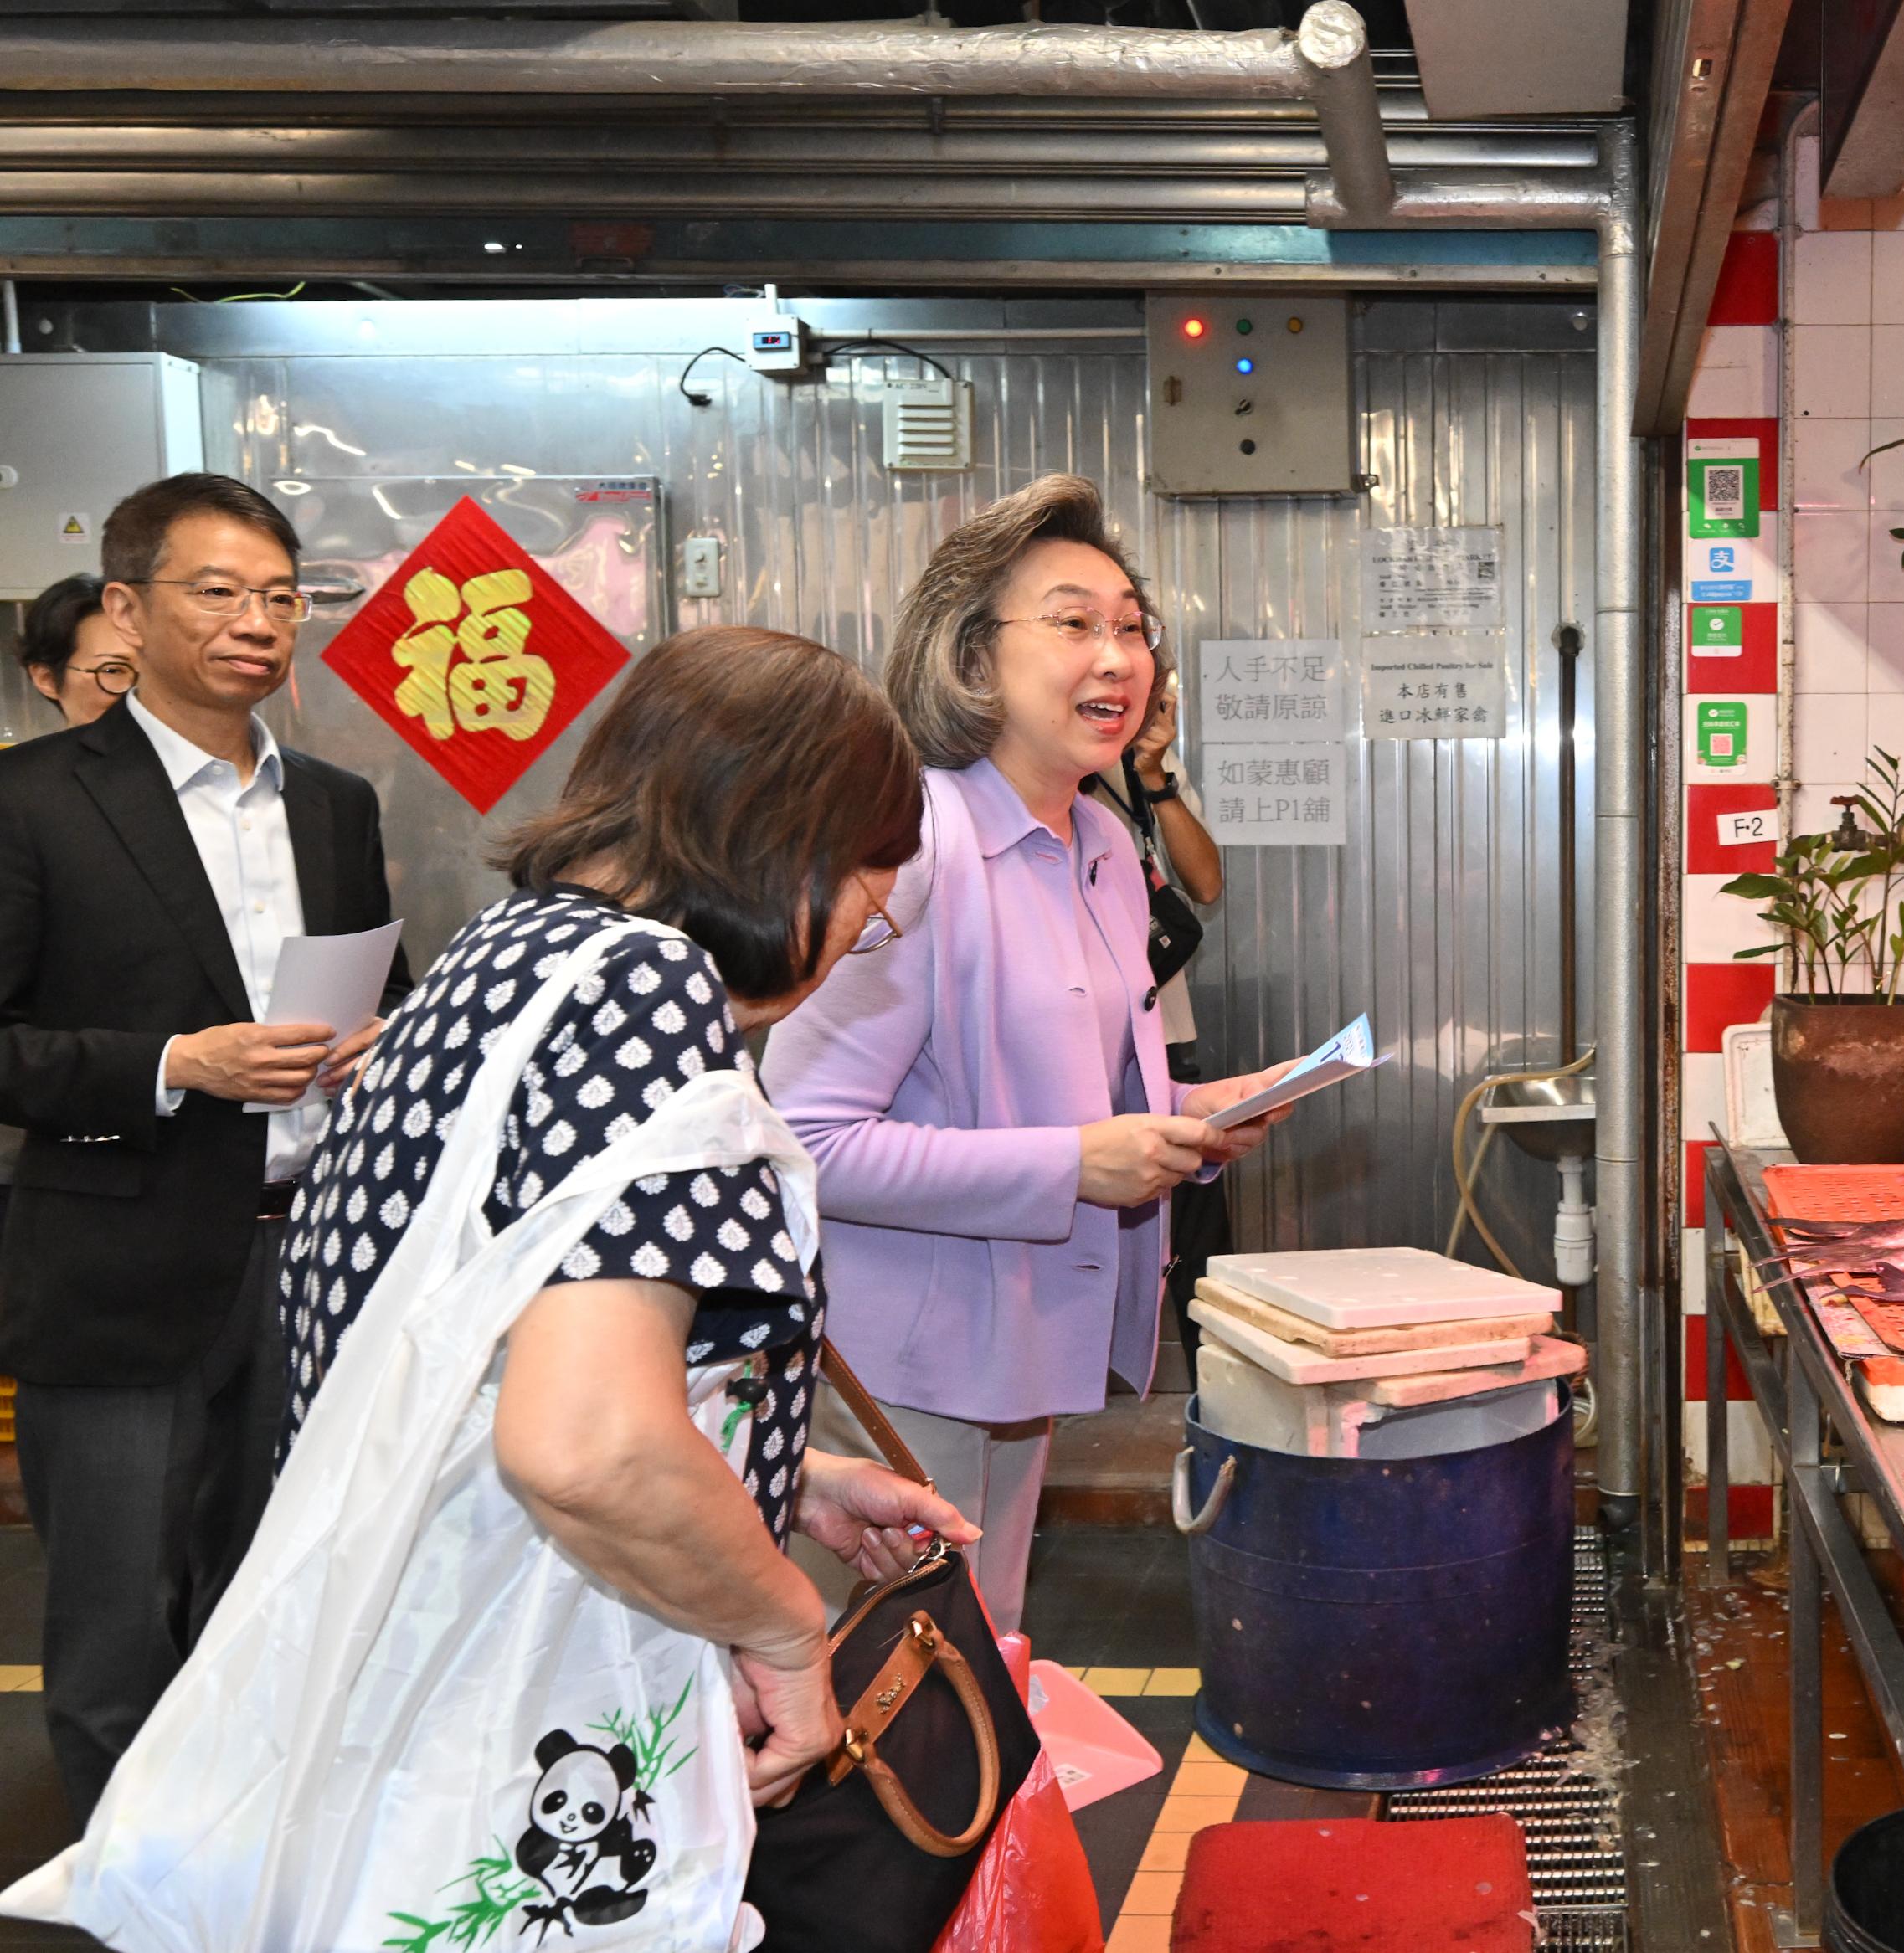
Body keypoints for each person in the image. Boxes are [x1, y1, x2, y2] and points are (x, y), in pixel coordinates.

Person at [273, 624, 973, 1812]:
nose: (867, 928)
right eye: (871, 888)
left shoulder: (511, 950)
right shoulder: (643, 990)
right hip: (515, 1725)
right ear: (784, 841)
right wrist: (789, 1629)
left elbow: (507, 1350)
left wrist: (780, 1475)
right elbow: (585, 1445)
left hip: (400, 1686)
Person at [765, 473, 1294, 1632]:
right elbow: (804, 1140)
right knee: (883, 1699)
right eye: (1073, 623)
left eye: (1131, 627)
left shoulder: (1099, 838)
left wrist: (1191, 1121)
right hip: (897, 1372)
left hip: (1021, 1350)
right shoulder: (908, 843)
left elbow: (1073, 1096)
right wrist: (1073, 1165)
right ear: (970, 655)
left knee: (982, 1663)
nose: (1117, 657)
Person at [0, 473, 405, 1821]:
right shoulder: (35, 800)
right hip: (120, 1264)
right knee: (120, 1624)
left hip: (310, 1256)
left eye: (281, 597)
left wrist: (374, 1045)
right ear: (126, 605)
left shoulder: (337, 803)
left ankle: (252, 1856)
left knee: (278, 1598)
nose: (258, 622)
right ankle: (131, 1878)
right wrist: (178, 1065)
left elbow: (361, 991)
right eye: (218, 592)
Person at [1083, 675, 1235, 1380]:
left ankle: (1220, 1397)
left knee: (1198, 1240)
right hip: (1078, 1046)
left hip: (1164, 1039)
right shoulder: (1040, 781)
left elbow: (1205, 883)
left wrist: (1155, 778)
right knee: (1089, 1227)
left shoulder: (1143, 780)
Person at [0, 577, 140, 1246]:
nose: (136, 696)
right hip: (78, 1185)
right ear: (45, 678)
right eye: (112, 672)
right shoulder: (22, 802)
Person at [17, 573, 137, 731]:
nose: (140, 692)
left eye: (155, 671)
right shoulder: (26, 756)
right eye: (113, 670)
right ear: (47, 679)